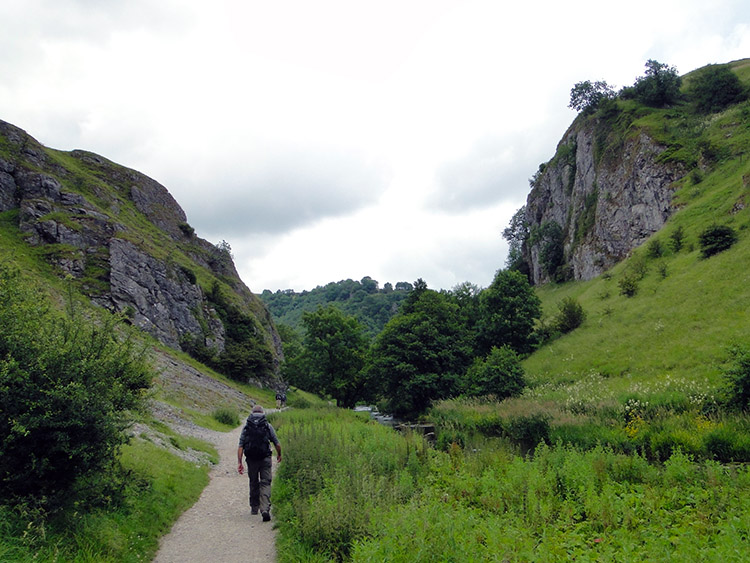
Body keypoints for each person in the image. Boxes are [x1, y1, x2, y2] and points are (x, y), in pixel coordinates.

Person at [237, 405, 282, 522]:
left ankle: (254, 507)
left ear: (252, 413)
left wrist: (239, 462)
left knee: (253, 482)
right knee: (265, 483)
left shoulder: (247, 426)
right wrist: (279, 454)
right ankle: (265, 508)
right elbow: (277, 443)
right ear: (262, 413)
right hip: (265, 458)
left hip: (251, 459)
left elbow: (241, 445)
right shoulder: (267, 425)